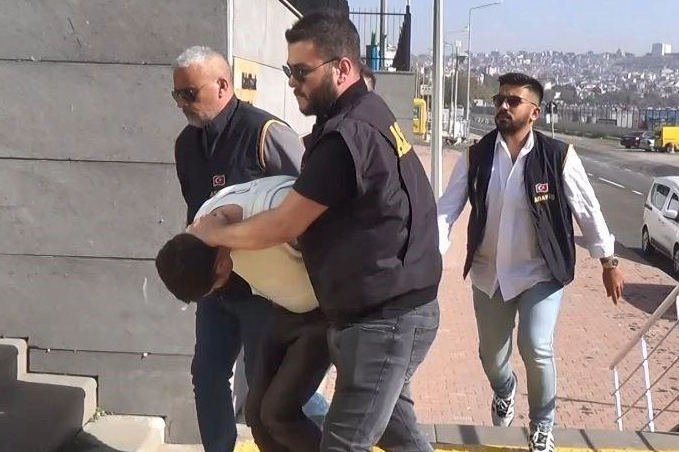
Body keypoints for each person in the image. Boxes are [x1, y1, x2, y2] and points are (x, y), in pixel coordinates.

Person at [187, 9, 442, 452]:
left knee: (343, 443)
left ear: (342, 68)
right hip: (383, 307)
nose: (292, 81)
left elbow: (285, 223)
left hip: (385, 317)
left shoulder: (347, 136)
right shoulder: (363, 113)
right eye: (289, 70)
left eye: (302, 72)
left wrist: (214, 234)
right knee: (395, 433)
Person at [437, 72, 625, 452]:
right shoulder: (476, 156)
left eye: (513, 101)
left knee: (536, 346)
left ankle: (542, 425)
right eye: (499, 100)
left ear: (534, 113)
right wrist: (430, 254)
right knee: (492, 357)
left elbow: (588, 210)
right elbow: (446, 210)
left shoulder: (558, 157)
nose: (503, 106)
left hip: (541, 272)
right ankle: (505, 389)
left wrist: (609, 261)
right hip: (489, 273)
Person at [171, 45, 305, 452]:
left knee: (266, 391)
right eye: (177, 95)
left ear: (223, 85)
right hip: (215, 289)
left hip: (265, 292)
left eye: (189, 94)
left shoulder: (266, 134)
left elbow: (308, 204)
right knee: (206, 374)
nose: (182, 104)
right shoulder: (185, 145)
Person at [156, 175, 330, 452]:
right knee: (259, 418)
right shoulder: (202, 229)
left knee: (280, 413)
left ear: (221, 266)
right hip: (287, 312)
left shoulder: (273, 207)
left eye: (213, 286)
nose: (217, 291)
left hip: (327, 313)